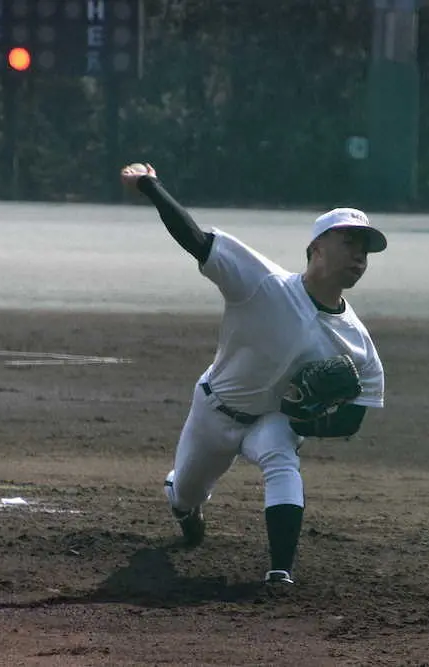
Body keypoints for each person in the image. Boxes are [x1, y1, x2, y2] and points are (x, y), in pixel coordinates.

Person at [119, 162, 387, 586]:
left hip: (271, 418)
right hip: (215, 410)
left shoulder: (358, 342)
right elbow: (197, 241)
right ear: (317, 248)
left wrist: (307, 423)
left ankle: (280, 572)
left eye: (366, 250)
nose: (359, 255)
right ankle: (184, 507)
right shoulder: (265, 285)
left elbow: (355, 415)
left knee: (282, 459)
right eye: (350, 241)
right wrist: (150, 186)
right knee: (186, 493)